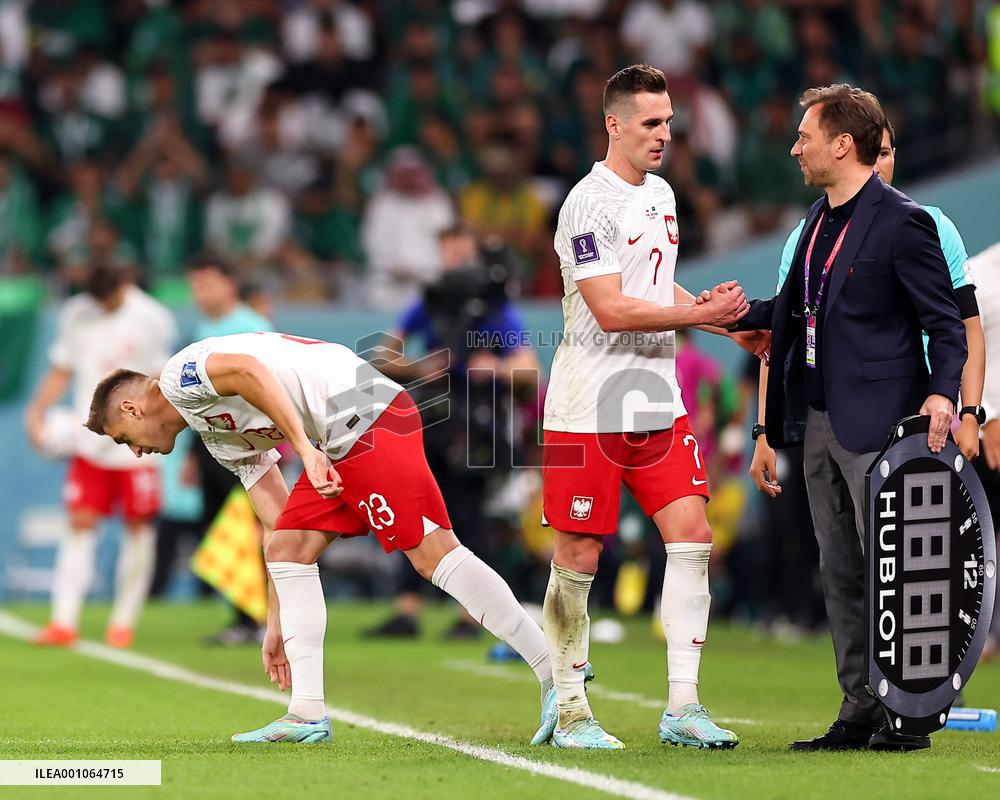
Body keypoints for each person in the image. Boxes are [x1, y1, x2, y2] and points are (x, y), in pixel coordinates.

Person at [83, 332, 557, 744]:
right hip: (339, 437)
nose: (136, 450)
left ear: (131, 408)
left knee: (433, 556)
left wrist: (306, 450)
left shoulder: (177, 377)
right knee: (289, 547)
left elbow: (249, 371)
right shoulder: (216, 436)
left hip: (363, 416)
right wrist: (275, 620)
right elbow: (276, 525)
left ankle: (553, 673)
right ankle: (306, 713)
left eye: (124, 437)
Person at [540, 63, 768, 750]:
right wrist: (695, 320)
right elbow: (609, 309)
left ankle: (683, 708)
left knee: (693, 535)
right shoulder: (587, 203)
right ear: (614, 125)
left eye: (669, 122)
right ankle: (572, 706)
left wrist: (723, 317)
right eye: (650, 123)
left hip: (655, 400)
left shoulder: (664, 194)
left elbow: (655, 284)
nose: (665, 134)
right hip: (589, 404)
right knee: (579, 553)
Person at [734, 85, 967, 752]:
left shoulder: (903, 221)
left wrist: (945, 395)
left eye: (804, 135)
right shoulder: (816, 220)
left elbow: (945, 325)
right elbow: (792, 311)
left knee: (893, 569)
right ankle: (859, 707)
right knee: (841, 572)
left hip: (883, 424)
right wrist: (731, 312)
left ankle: (911, 712)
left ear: (842, 144)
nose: (795, 146)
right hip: (817, 420)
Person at [365, 226, 541, 639]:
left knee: (469, 519)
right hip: (432, 420)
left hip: (477, 426)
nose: (453, 260)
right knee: (414, 510)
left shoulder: (496, 310)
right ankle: (406, 610)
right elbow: (382, 355)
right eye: (446, 251)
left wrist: (495, 368)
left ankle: (471, 617)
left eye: (460, 251)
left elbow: (531, 372)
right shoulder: (431, 303)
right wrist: (423, 367)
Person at [25, 263, 176, 648]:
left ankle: (123, 622)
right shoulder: (76, 312)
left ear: (124, 285)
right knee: (79, 522)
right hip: (91, 441)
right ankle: (63, 620)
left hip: (138, 447)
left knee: (139, 528)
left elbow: (162, 381)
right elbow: (63, 367)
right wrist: (36, 411)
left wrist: (158, 432)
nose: (102, 305)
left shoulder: (152, 319)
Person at [153, 254, 274, 645]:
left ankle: (268, 618)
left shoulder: (253, 328)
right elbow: (194, 401)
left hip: (247, 444)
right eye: (195, 286)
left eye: (206, 284)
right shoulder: (203, 328)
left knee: (256, 530)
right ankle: (244, 618)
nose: (199, 293)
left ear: (230, 285)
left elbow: (267, 389)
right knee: (221, 531)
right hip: (211, 445)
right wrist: (191, 453)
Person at [965, 242, 1000, 659]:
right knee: (981, 538)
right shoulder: (983, 274)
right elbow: (963, 346)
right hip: (987, 428)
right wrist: (987, 415)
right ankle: (978, 635)